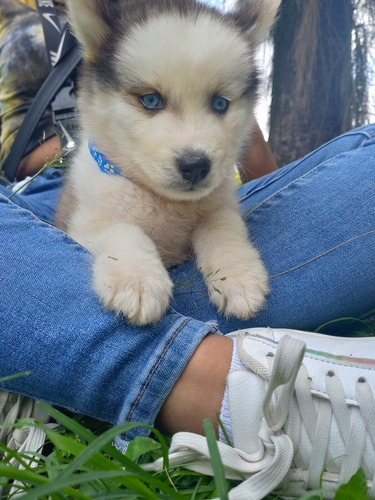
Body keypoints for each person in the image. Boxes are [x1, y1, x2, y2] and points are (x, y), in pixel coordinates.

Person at [1, 1, 375, 498]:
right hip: (35, 204)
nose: (193, 146)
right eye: (151, 100)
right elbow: (17, 147)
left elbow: (238, 185)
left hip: (185, 228)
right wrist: (116, 230)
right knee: (110, 252)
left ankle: (60, 346)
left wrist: (232, 231)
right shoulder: (27, 22)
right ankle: (205, 378)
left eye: (219, 105)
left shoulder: (206, 32)